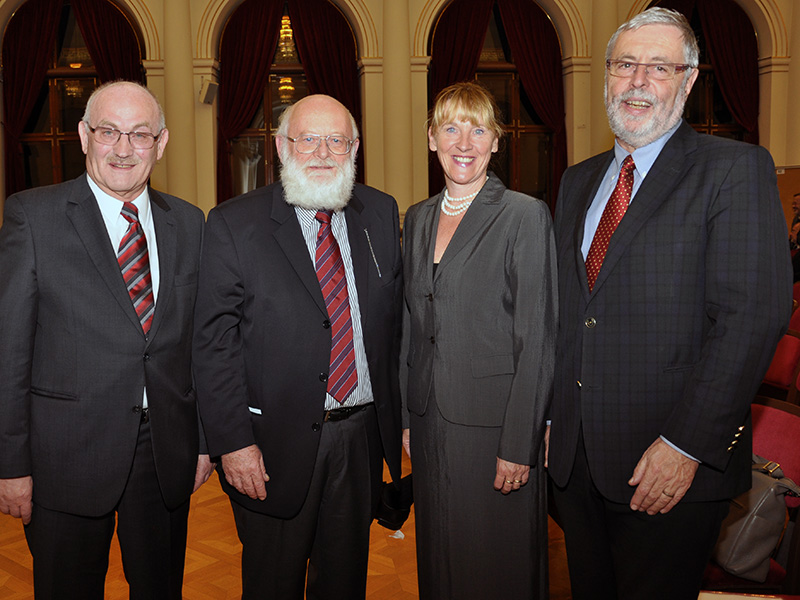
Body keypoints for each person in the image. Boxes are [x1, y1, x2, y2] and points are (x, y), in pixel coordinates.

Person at [548, 8, 792, 600]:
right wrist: (551, 419)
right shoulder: (576, 182)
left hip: (666, 468)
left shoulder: (733, 169)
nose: (637, 81)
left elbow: (750, 318)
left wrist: (685, 446)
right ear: (606, 77)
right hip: (575, 465)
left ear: (688, 80)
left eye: (658, 67)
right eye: (625, 65)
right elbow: (566, 312)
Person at [0, 80, 213, 599]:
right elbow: (9, 353)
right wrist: (10, 466)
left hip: (164, 455)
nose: (123, 148)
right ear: (83, 135)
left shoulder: (188, 222)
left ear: (161, 143)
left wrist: (204, 443)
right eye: (109, 132)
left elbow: (200, 347)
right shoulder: (33, 216)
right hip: (65, 457)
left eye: (139, 135)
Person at [192, 94, 403, 599]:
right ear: (282, 148)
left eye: (336, 140)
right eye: (308, 139)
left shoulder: (380, 212)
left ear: (355, 148)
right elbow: (213, 345)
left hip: (359, 441)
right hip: (269, 446)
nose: (323, 153)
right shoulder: (233, 224)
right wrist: (233, 443)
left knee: (344, 582)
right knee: (273, 584)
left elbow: (396, 329)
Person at [401, 81, 556, 599]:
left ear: (496, 142)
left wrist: (520, 444)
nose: (463, 141)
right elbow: (411, 324)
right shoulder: (418, 218)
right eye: (450, 127)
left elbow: (535, 337)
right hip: (427, 422)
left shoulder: (524, 215)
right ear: (431, 139)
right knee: (440, 560)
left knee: (497, 566)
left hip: (494, 429)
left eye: (478, 128)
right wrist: (406, 416)